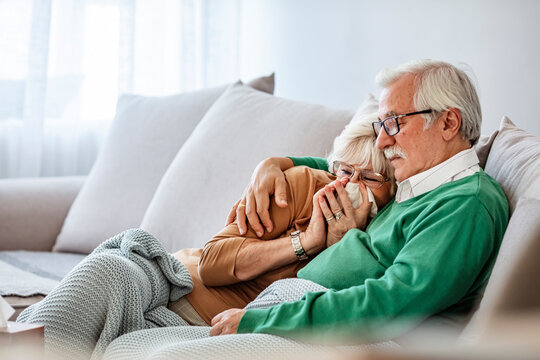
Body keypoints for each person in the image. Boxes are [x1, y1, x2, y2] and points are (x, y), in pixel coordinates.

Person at [209, 59, 509, 342]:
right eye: (381, 126)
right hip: (293, 312)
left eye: (394, 123)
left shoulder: (465, 204)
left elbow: (391, 304)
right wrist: (275, 163)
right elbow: (341, 166)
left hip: (341, 337)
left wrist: (263, 320)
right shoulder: (416, 181)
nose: (381, 141)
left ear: (448, 123)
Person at [169, 112, 395, 325]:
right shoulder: (304, 184)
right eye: (345, 172)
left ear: (395, 187)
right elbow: (210, 265)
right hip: (184, 287)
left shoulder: (387, 229)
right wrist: (306, 241)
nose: (351, 185)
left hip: (238, 322)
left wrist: (340, 243)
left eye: (369, 178)